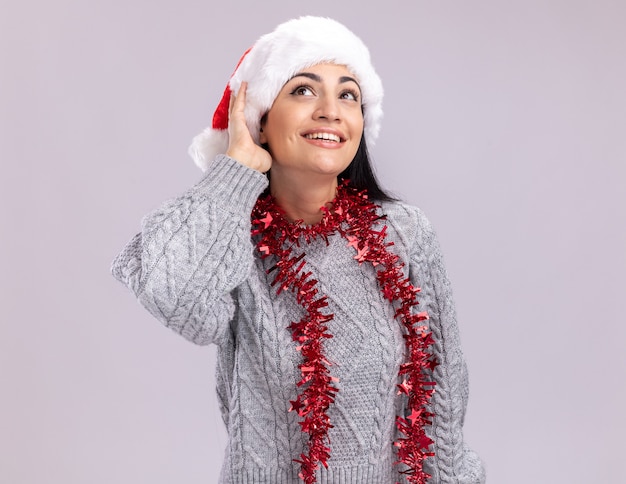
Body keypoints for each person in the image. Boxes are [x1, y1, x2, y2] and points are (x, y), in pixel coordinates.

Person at [112, 16, 485, 484]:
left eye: (349, 94)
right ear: (261, 120)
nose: (331, 110)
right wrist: (235, 169)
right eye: (304, 90)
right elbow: (174, 295)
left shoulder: (405, 234)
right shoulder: (230, 240)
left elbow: (442, 398)